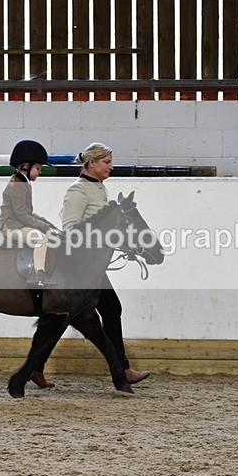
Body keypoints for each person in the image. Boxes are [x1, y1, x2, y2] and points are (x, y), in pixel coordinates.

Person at [30, 142, 151, 388]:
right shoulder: (78, 191)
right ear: (92, 163)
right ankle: (122, 369)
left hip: (91, 267)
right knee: (94, 311)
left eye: (110, 162)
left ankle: (36, 368)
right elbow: (71, 229)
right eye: (106, 162)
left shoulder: (100, 189)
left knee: (94, 312)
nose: (111, 167)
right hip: (76, 266)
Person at [0, 139, 59, 289]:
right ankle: (37, 276)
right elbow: (21, 215)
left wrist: (48, 224)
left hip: (17, 223)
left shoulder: (23, 182)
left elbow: (28, 213)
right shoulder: (18, 184)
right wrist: (44, 227)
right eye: (38, 168)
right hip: (11, 226)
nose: (40, 172)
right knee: (41, 239)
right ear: (26, 166)